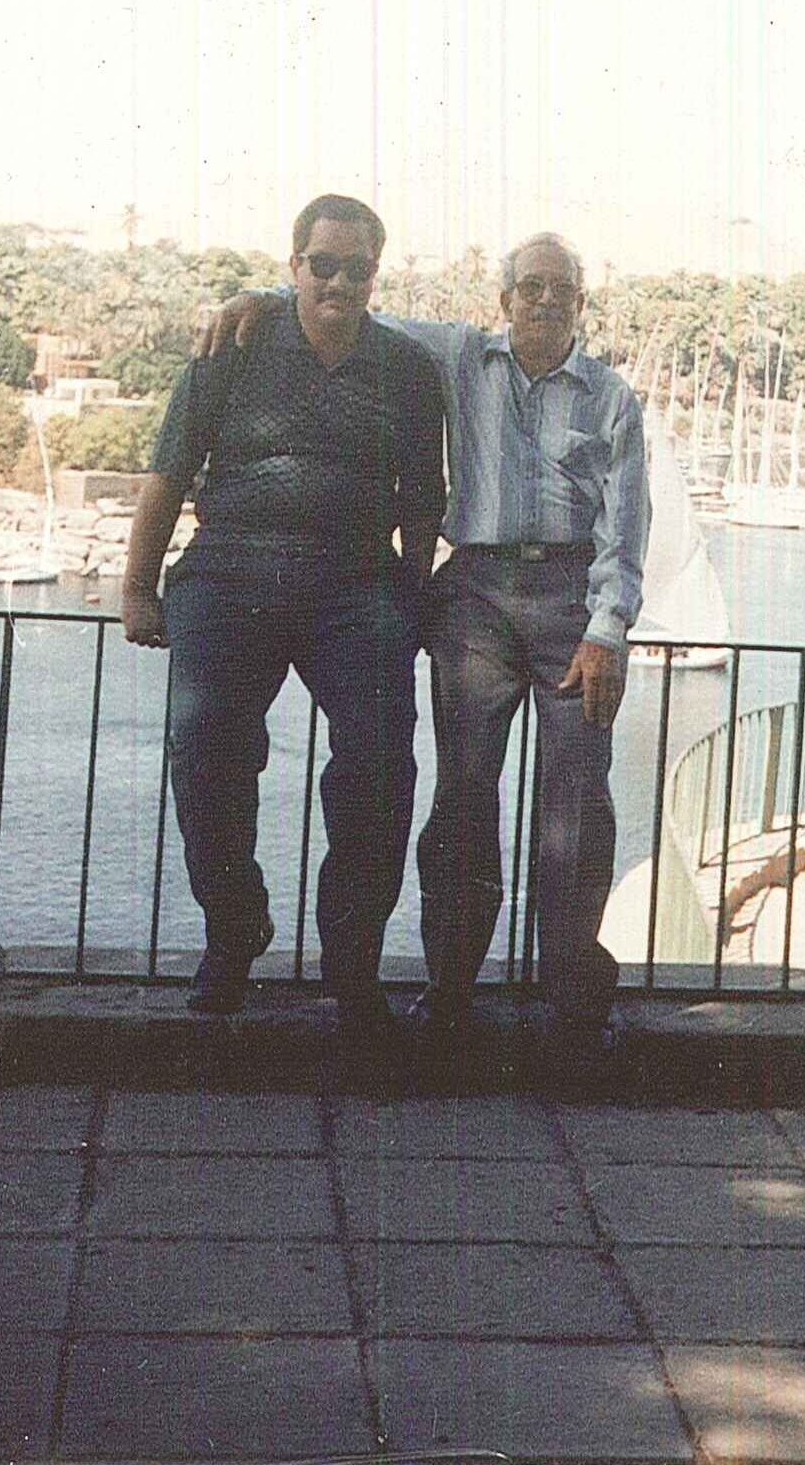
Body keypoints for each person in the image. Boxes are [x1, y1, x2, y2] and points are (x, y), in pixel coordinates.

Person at [202, 231, 650, 1076]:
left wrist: (607, 627)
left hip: (570, 601)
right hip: (475, 593)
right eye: (530, 286)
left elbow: (625, 524)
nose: (544, 300)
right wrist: (264, 297)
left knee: (576, 804)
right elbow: (348, 303)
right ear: (504, 298)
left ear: (580, 303)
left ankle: (573, 1000)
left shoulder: (610, 397)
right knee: (463, 796)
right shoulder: (459, 356)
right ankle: (449, 990)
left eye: (560, 288)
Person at [122, 194, 446, 1035]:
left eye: (356, 267)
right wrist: (137, 587)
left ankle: (351, 956)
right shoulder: (232, 348)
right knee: (204, 746)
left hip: (356, 584)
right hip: (231, 571)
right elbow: (168, 471)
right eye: (322, 264)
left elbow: (422, 499)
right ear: (294, 265)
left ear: (376, 272)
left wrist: (411, 597)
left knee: (380, 760)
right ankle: (234, 928)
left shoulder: (409, 368)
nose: (339, 281)